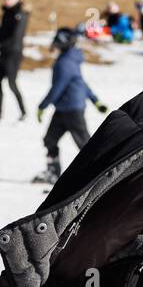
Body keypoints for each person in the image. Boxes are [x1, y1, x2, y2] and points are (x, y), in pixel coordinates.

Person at [34, 28, 108, 185]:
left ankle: (100, 176)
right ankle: (53, 173)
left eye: (57, 40)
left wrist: (42, 106)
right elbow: (81, 82)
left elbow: (57, 88)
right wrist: (95, 101)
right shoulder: (70, 59)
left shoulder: (65, 62)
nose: (53, 43)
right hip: (63, 109)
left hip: (72, 109)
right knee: (50, 139)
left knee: (85, 145)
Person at [0, 0, 28, 121]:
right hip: (3, 52)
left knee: (12, 83)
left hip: (14, 53)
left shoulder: (21, 14)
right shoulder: (6, 14)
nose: (8, 0)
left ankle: (23, 112)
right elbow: (2, 32)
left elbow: (15, 35)